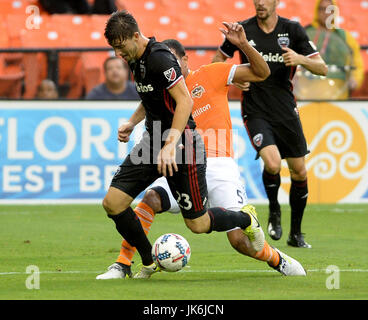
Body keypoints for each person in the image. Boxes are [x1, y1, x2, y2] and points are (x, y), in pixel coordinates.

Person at [96, 38, 307, 280]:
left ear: (186, 60)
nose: (170, 68)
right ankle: (123, 263)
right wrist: (132, 123)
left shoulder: (212, 73)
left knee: (238, 240)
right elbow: (148, 103)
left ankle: (277, 259)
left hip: (219, 165)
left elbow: (261, 71)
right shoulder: (164, 86)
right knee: (152, 198)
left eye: (175, 62)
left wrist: (244, 46)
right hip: (185, 160)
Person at [212, 0, 328, 248]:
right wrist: (232, 79)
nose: (260, 3)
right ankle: (274, 210)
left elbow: (323, 68)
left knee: (300, 171)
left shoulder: (293, 30)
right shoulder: (242, 30)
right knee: (273, 163)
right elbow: (215, 65)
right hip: (255, 109)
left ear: (277, 1)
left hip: (285, 109)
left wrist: (300, 58)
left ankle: (296, 234)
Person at [297, 0, 364, 99]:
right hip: (306, 91)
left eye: (330, 10)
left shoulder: (344, 36)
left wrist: (355, 79)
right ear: (317, 11)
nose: (326, 14)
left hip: (337, 92)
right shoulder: (305, 33)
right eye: (322, 9)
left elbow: (356, 63)